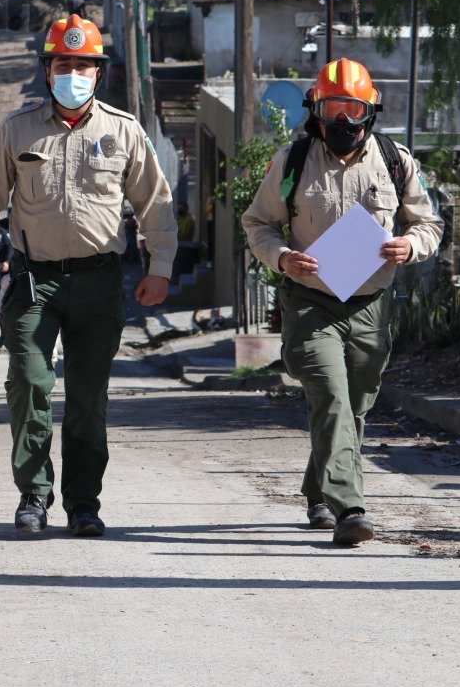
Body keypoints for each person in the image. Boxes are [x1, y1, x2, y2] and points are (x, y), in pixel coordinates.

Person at [0, 14, 178, 538]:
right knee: (28, 379)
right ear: (48, 71)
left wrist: (159, 267)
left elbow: (156, 205)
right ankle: (34, 493)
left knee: (87, 399)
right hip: (35, 281)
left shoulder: (124, 132)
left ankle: (83, 504)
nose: (73, 73)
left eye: (83, 65)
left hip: (99, 280)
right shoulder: (18, 130)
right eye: (62, 64)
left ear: (99, 73)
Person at [242, 58, 442, 545]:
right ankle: (350, 507)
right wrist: (283, 256)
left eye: (353, 107)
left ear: (369, 111)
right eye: (334, 107)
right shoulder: (292, 161)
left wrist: (410, 245)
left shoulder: (395, 161)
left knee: (354, 405)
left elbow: (429, 225)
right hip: (310, 303)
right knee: (330, 394)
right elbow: (258, 224)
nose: (343, 120)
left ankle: (318, 491)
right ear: (317, 110)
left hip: (371, 304)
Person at [174, 202, 198, 278]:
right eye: (178, 208)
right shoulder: (182, 219)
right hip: (181, 247)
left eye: (181, 208)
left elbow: (183, 236)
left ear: (186, 209)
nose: (179, 210)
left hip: (185, 248)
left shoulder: (189, 220)